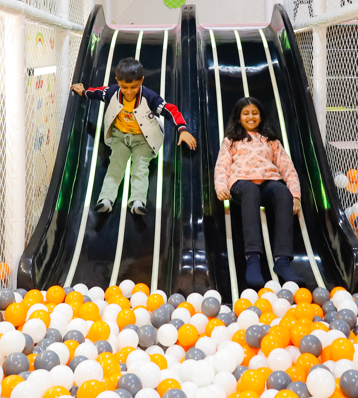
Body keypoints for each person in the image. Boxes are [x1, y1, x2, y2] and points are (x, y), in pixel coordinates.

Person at [72, 58, 196, 214]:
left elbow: (170, 110)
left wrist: (182, 129)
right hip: (120, 137)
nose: (129, 91)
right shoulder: (113, 92)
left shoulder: (148, 97)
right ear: (117, 81)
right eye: (124, 87)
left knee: (140, 168)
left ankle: (137, 201)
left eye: (134, 87)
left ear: (141, 81)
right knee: (115, 165)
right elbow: (98, 92)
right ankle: (106, 199)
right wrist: (83, 92)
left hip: (143, 139)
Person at [214, 96, 301, 287]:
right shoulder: (231, 141)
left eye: (255, 113)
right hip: (241, 182)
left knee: (282, 193)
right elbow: (222, 166)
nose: (251, 117)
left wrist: (295, 194)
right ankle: (253, 260)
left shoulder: (271, 141)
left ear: (261, 117)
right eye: (246, 113)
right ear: (239, 118)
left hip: (269, 181)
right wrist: (221, 186)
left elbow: (287, 168)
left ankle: (282, 261)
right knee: (251, 190)